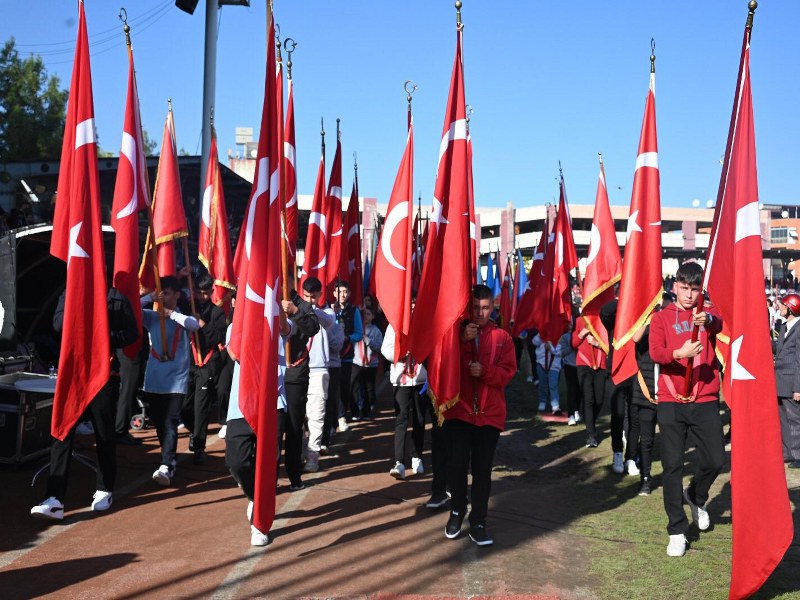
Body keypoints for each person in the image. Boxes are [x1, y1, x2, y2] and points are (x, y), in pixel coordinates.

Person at [31, 288, 139, 520]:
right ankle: (55, 498)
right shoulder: (69, 292)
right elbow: (58, 324)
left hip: (103, 374)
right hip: (74, 374)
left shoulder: (117, 298)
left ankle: (104, 488)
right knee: (63, 431)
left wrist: (103, 334)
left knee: (104, 434)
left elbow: (131, 333)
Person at [649, 261, 724, 557]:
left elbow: (721, 325)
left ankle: (695, 495)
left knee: (716, 459)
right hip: (670, 399)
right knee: (672, 466)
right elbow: (656, 352)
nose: (689, 295)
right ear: (675, 286)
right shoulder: (661, 317)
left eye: (694, 289)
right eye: (684, 288)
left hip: (704, 398)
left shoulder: (707, 314)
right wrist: (678, 354)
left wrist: (708, 322)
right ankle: (677, 529)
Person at [444, 284, 516, 546]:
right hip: (460, 411)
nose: (481, 313)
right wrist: (461, 341)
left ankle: (478, 521)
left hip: (490, 414)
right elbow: (443, 364)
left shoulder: (502, 337)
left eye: (485, 308)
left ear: (493, 307)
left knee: (483, 469)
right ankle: (456, 511)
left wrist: (484, 371)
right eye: (475, 308)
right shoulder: (454, 335)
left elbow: (508, 372)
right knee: (458, 464)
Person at [224, 310, 292, 546]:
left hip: (273, 402)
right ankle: (255, 497)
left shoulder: (278, 321)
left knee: (269, 465)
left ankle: (259, 524)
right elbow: (235, 353)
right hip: (241, 402)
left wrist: (277, 307)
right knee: (236, 461)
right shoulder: (235, 326)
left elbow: (286, 329)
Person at [141, 276, 200, 486]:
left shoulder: (181, 318)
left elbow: (194, 325)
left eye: (166, 292)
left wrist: (171, 314)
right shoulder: (151, 317)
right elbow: (131, 310)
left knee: (170, 421)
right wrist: (148, 297)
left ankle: (166, 464)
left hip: (176, 380)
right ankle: (169, 458)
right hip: (155, 378)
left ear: (176, 294)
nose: (163, 296)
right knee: (159, 422)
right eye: (160, 292)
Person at [182, 274, 227, 465]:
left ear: (212, 291)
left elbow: (216, 338)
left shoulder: (217, 313)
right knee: (184, 406)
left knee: (201, 408)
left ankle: (199, 446)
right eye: (199, 293)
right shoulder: (187, 306)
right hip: (188, 363)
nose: (203, 297)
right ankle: (194, 431)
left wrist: (200, 324)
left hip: (206, 364)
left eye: (206, 293)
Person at [280, 289, 321, 490]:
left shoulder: (302, 304)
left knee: (294, 426)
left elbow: (313, 328)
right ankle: (267, 476)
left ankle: (294, 475)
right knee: (272, 428)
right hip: (272, 374)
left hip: (295, 374)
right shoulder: (268, 298)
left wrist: (295, 311)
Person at [302, 277, 343, 472]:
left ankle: (313, 456)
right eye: (306, 296)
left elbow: (326, 320)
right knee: (299, 416)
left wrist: (301, 308)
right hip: (298, 368)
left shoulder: (326, 314)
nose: (309, 299)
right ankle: (299, 453)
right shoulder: (298, 311)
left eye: (313, 296)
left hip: (319, 370)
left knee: (316, 415)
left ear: (319, 295)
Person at [773, 293, 800, 468]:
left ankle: (798, 455)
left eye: (783, 305)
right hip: (780, 381)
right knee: (783, 419)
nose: (779, 307)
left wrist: (798, 388)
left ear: (791, 308)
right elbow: (779, 348)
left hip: (792, 383)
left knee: (795, 420)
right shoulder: (785, 326)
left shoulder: (799, 328)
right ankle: (788, 452)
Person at [572, 315, 607, 443]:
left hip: (600, 365)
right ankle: (591, 435)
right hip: (584, 364)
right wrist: (582, 333)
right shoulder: (579, 320)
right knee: (588, 399)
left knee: (599, 400)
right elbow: (574, 343)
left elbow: (610, 346)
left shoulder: (604, 320)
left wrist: (595, 343)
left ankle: (589, 420)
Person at [332, 281, 363, 424]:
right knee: (332, 388)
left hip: (346, 356)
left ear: (349, 293)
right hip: (331, 357)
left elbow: (359, 334)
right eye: (339, 292)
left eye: (345, 292)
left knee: (345, 387)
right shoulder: (329, 309)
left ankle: (342, 415)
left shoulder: (354, 311)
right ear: (334, 294)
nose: (342, 295)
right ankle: (333, 417)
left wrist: (347, 338)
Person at [352, 307, 383, 420]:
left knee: (368, 388)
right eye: (364, 314)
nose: (365, 316)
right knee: (355, 386)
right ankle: (355, 411)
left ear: (373, 317)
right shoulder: (357, 328)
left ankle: (366, 411)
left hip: (370, 364)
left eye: (368, 314)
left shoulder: (376, 331)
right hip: (357, 362)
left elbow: (380, 347)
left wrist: (369, 341)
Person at [531, 333, 563, 415]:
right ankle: (542, 401)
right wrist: (540, 335)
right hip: (541, 363)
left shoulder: (559, 336)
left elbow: (559, 351)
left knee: (553, 385)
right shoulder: (541, 334)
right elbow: (534, 342)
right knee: (542, 384)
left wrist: (550, 348)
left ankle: (555, 405)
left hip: (554, 365)